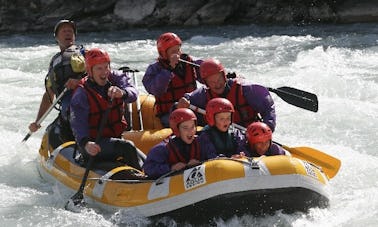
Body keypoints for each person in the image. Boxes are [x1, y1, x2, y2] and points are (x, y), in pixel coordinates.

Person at [70, 48, 142, 171]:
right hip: (94, 145)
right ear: (90, 71)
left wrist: (123, 93)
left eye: (106, 67)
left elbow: (133, 92)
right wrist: (86, 143)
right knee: (127, 147)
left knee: (142, 156)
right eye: (99, 68)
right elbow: (78, 123)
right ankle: (144, 181)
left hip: (114, 139)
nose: (104, 72)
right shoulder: (82, 93)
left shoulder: (116, 79)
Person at [28, 19, 86, 148]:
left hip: (85, 103)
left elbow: (102, 76)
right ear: (56, 37)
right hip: (66, 108)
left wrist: (79, 82)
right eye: (64, 31)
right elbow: (49, 94)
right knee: (52, 133)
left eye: (70, 31)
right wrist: (37, 121)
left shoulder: (84, 54)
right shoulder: (55, 62)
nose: (68, 33)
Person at [177, 58, 276, 131]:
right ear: (206, 83)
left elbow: (268, 108)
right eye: (212, 82)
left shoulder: (246, 89)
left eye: (219, 79)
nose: (217, 84)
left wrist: (266, 129)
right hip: (225, 138)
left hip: (250, 135)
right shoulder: (203, 94)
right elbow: (184, 101)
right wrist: (183, 102)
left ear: (224, 77)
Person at [142, 32, 203, 127]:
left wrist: (220, 74)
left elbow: (208, 75)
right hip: (169, 113)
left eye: (178, 50)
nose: (177, 54)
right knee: (182, 122)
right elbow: (156, 90)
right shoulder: (154, 69)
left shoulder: (189, 62)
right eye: (173, 51)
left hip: (191, 107)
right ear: (164, 54)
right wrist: (169, 69)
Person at [143, 108, 212, 179]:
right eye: (185, 128)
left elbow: (213, 157)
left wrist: (201, 163)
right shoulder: (162, 149)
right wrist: (171, 168)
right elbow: (149, 169)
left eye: (192, 127)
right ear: (177, 129)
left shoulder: (202, 142)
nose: (190, 131)